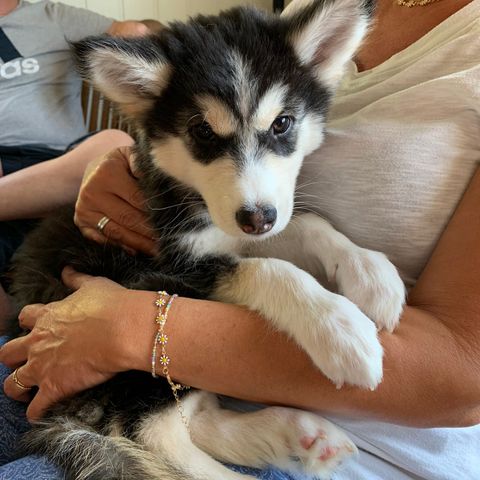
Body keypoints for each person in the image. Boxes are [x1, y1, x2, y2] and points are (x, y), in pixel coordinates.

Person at [1, 0, 480, 478]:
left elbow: (461, 375)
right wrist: (113, 168)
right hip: (137, 360)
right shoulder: (297, 17)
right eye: (207, 135)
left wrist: (129, 326)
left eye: (281, 126)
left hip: (361, 441)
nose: (253, 196)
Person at [0, 0, 154, 324]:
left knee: (114, 145)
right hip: (4, 165)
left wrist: (141, 33)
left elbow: (139, 34)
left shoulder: (50, 16)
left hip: (61, 159)